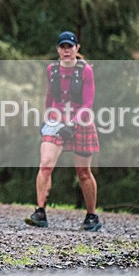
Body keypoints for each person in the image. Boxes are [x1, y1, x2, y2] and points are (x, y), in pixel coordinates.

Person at [25, 31, 102, 232]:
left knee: (83, 172)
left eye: (70, 47)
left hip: (81, 120)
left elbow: (88, 103)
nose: (66, 51)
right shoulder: (52, 70)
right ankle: (40, 211)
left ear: (77, 48)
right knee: (45, 165)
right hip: (57, 120)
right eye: (62, 47)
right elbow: (50, 97)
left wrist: (74, 124)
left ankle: (91, 215)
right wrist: (47, 118)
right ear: (58, 49)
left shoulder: (85, 71)